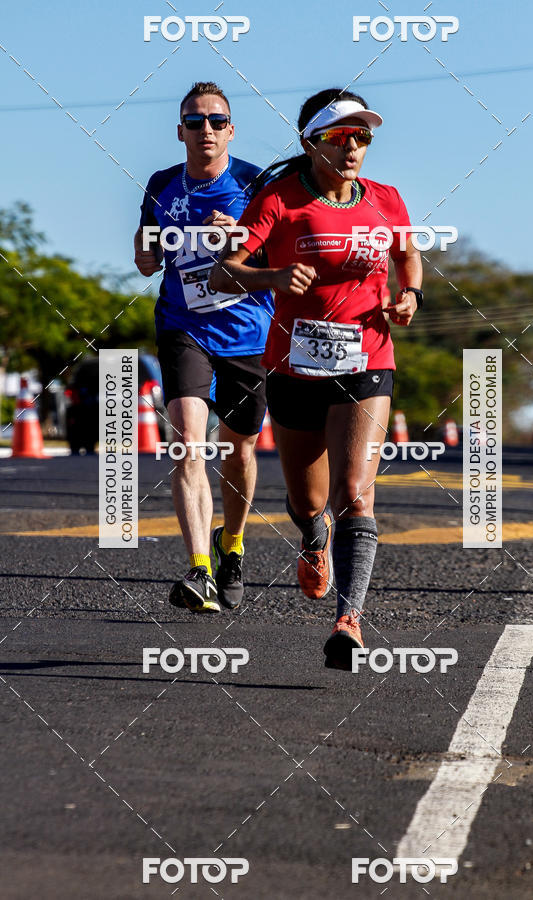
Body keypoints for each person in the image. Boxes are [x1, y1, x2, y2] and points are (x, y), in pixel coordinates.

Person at [210, 88, 422, 668]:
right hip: (292, 366)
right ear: (311, 143)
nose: (353, 147)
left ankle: (348, 622)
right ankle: (313, 536)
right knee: (309, 502)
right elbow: (225, 274)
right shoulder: (278, 200)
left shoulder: (386, 199)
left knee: (354, 492)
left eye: (362, 136)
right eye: (339, 136)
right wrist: (274, 277)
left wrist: (410, 295)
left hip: (367, 360)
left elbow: (407, 255)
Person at [134, 81, 274, 613]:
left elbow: (282, 251)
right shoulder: (162, 184)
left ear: (231, 130)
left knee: (239, 451)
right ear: (180, 131)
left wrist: (241, 236)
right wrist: (144, 253)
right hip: (183, 326)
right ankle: (199, 570)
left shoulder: (255, 183)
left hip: (247, 332)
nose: (206, 130)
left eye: (216, 121)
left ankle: (231, 546)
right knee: (188, 442)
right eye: (195, 122)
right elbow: (146, 242)